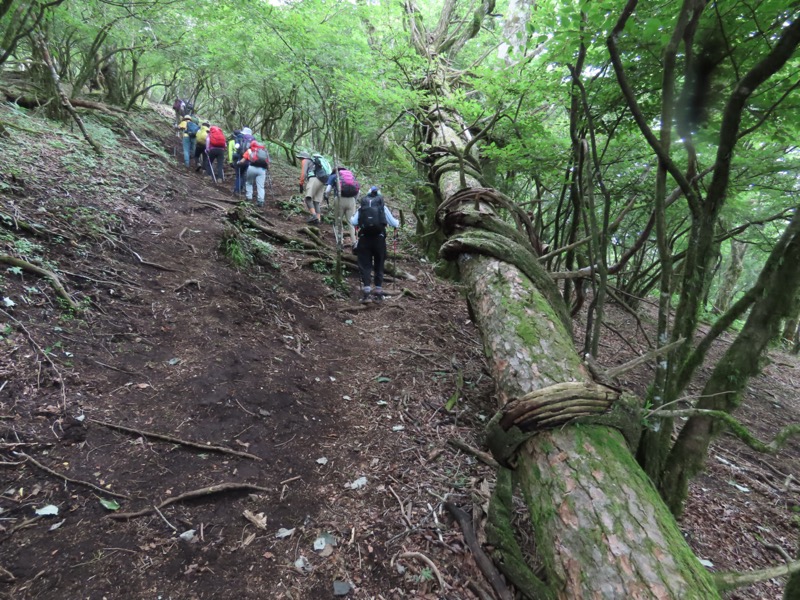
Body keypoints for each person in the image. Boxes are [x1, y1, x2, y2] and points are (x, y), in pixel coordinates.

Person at [351, 186, 399, 303]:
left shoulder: (363, 207)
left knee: (365, 265)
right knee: (379, 263)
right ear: (379, 196)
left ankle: (366, 292)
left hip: (364, 239)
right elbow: (394, 223)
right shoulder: (383, 207)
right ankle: (378, 291)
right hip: (379, 239)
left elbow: (353, 222)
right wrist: (396, 222)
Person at [324, 166, 359, 246]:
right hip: (351, 200)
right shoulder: (351, 177)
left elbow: (328, 190)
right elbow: (358, 190)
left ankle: (340, 242)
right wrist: (354, 200)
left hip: (339, 199)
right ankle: (354, 243)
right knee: (351, 222)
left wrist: (326, 196)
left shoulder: (334, 176)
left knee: (338, 222)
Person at [239, 140, 270, 207]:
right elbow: (268, 163)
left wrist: (238, 163)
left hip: (252, 168)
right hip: (262, 170)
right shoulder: (265, 151)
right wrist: (267, 169)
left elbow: (242, 161)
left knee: (249, 183)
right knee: (261, 186)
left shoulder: (250, 150)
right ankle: (260, 201)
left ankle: (249, 198)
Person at [298, 152, 325, 224]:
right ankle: (318, 220)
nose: (300, 160)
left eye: (300, 158)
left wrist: (301, 183)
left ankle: (314, 216)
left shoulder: (305, 161)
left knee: (308, 198)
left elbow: (304, 173)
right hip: (322, 181)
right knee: (316, 202)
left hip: (314, 179)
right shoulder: (315, 163)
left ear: (302, 157)